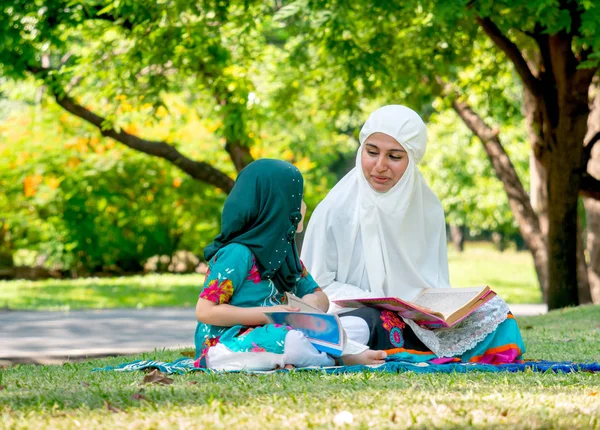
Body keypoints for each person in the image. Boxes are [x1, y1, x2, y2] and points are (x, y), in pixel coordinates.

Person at [301, 105, 525, 364]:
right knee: (368, 322)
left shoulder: (427, 208)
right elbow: (316, 288)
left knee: (494, 310)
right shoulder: (334, 209)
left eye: (395, 156)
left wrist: (439, 309)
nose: (380, 166)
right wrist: (374, 300)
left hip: (417, 320)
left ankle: (403, 347)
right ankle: (356, 348)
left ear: (412, 160)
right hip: (357, 315)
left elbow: (433, 282)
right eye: (371, 152)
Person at [194, 158, 386, 370]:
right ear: (277, 206)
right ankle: (338, 358)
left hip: (283, 330)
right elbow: (205, 311)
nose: (303, 206)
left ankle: (311, 356)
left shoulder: (286, 254)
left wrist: (307, 307)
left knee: (355, 325)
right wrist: (268, 315)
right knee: (291, 341)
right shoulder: (237, 253)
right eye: (299, 198)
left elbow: (320, 296)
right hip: (227, 343)